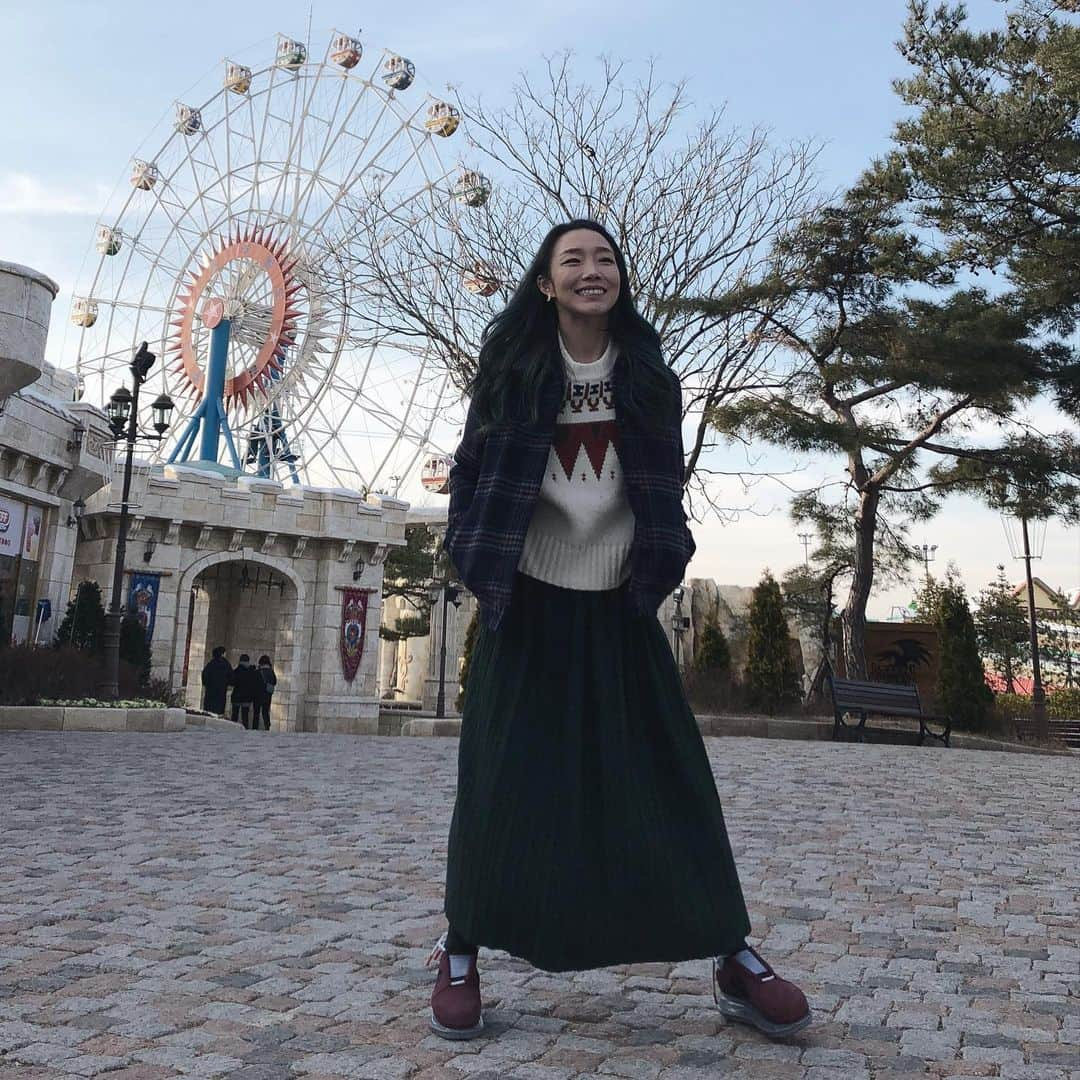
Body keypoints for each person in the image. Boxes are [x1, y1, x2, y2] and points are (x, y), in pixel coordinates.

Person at [426, 220, 810, 1042]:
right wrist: (472, 550)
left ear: (620, 280)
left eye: (604, 260)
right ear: (546, 282)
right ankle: (460, 950)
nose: (591, 271)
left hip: (621, 604)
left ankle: (731, 954)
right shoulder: (513, 368)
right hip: (527, 604)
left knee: (671, 782)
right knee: (501, 781)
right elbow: (471, 470)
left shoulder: (647, 377)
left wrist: (663, 560)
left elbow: (661, 482)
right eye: (573, 261)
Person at [229, 653, 264, 729]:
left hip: (237, 696)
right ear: (248, 661)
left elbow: (232, 682)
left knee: (234, 715)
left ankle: (231, 730)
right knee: (245, 716)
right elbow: (254, 684)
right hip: (247, 697)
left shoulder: (236, 671)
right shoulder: (251, 672)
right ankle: (245, 730)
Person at [200, 646, 231, 715]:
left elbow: (204, 676)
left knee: (209, 712)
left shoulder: (211, 664)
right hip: (221, 692)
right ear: (222, 654)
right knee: (219, 712)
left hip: (210, 692)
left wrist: (207, 684)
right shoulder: (226, 665)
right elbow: (231, 677)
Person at [256, 654, 277, 731]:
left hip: (258, 694)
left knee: (257, 711)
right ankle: (267, 726)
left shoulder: (259, 671)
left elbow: (255, 682)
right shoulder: (271, 671)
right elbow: (274, 681)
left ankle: (255, 727)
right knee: (265, 711)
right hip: (268, 694)